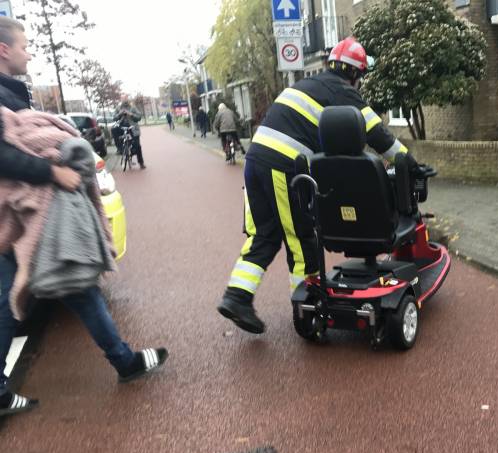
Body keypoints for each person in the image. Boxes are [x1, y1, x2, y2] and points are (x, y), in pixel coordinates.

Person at [0, 18, 167, 418]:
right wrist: (54, 171)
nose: (29, 52)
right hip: (25, 213)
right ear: (3, 50)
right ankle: (125, 361)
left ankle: (123, 360)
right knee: (74, 284)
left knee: (38, 293)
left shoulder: (11, 94)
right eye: (24, 46)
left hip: (19, 216)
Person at [217, 36, 419, 335]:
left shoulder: (306, 85)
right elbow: (379, 136)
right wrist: (410, 165)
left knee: (265, 234)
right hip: (282, 165)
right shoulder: (344, 92)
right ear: (355, 74)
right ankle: (309, 309)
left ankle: (237, 297)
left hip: (255, 161)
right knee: (301, 239)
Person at [113, 98, 146, 169]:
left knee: (137, 146)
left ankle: (141, 163)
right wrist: (120, 114)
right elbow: (114, 118)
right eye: (123, 99)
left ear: (127, 100)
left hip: (132, 128)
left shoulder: (133, 108)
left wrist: (130, 114)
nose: (124, 100)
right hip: (122, 128)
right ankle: (119, 149)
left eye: (125, 99)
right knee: (114, 129)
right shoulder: (118, 108)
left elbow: (139, 117)